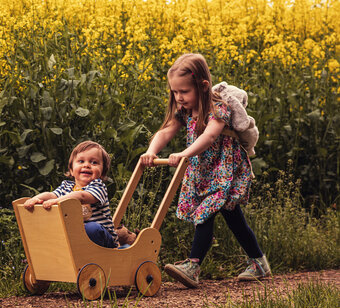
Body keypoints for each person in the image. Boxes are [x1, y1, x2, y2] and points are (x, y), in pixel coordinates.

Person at [140, 53, 270, 288]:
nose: (179, 97)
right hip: (202, 172)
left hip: (224, 170)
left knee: (206, 212)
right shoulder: (184, 111)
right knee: (234, 219)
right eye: (175, 92)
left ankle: (193, 265)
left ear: (203, 86)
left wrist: (183, 154)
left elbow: (210, 136)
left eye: (184, 92)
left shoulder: (219, 107)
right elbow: (166, 131)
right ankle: (259, 262)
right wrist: (151, 151)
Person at [24, 141, 118, 248]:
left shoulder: (98, 186)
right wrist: (35, 199)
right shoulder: (66, 187)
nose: (86, 165)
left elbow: (81, 197)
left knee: (91, 228)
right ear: (71, 170)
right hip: (76, 239)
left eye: (94, 163)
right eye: (81, 161)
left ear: (102, 172)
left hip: (102, 240)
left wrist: (57, 201)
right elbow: (51, 195)